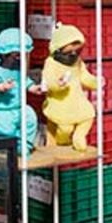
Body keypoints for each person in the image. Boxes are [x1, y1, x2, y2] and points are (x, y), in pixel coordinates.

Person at [41, 22, 99, 151]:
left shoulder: (77, 61)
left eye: (77, 49)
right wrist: (58, 84)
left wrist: (95, 82)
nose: (74, 52)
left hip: (77, 100)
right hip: (59, 101)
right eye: (71, 48)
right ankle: (62, 142)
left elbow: (84, 76)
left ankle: (79, 136)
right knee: (65, 126)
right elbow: (48, 80)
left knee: (88, 115)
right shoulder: (51, 63)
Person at [0, 28, 44, 152]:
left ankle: (24, 146)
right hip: (0, 109)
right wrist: (0, 86)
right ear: (4, 53)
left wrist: (33, 87)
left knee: (31, 119)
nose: (19, 58)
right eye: (16, 55)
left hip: (19, 107)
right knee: (6, 130)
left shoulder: (18, 68)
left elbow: (24, 80)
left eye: (22, 55)